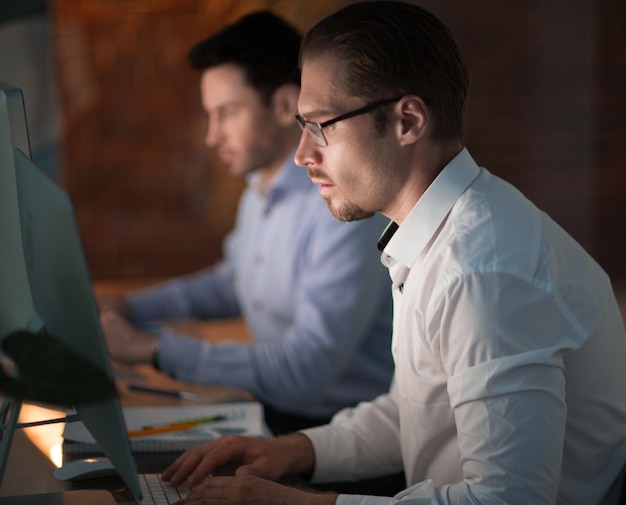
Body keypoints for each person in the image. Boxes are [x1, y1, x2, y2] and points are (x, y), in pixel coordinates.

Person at [158, 2, 626, 504]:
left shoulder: (480, 271)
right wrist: (292, 451)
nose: (301, 155)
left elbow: (506, 502)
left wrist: (298, 503)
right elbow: (418, 408)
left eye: (321, 126)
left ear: (407, 121)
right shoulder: (437, 232)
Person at [98, 10, 394, 436]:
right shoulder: (260, 187)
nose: (212, 136)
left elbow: (306, 370)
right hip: (275, 413)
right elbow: (234, 283)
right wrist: (128, 307)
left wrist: (155, 349)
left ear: (283, 105)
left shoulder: (341, 208)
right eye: (210, 115)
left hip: (340, 436)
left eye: (227, 113)